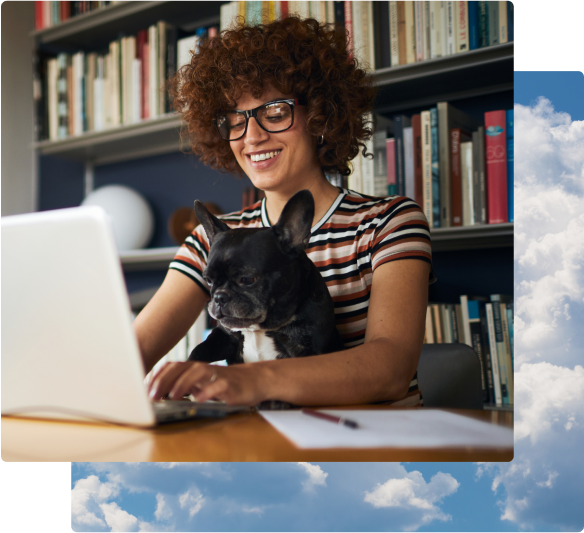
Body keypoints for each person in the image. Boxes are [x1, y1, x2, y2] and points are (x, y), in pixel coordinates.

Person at [134, 16, 436, 408]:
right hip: (260, 447)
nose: (253, 137)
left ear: (319, 116)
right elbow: (134, 350)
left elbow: (392, 370)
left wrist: (251, 380)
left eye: (274, 112)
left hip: (372, 449)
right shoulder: (215, 240)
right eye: (235, 121)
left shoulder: (386, 222)